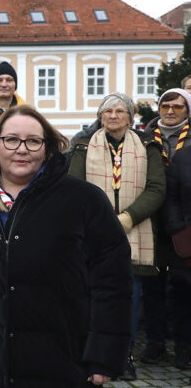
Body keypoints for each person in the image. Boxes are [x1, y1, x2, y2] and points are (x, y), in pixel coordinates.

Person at [0, 105, 132, 387]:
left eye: (33, 141)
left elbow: (113, 282)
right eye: (11, 140)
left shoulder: (83, 200)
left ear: (48, 147)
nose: (22, 149)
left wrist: (104, 354)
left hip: (60, 360)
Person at [68, 92, 165, 381]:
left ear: (131, 116)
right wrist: (99, 220)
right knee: (91, 293)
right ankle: (93, 351)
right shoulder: (84, 145)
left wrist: (127, 218)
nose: (113, 116)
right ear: (100, 116)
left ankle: (125, 354)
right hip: (93, 231)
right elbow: (74, 186)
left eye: (120, 111)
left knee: (129, 295)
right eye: (107, 111)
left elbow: (157, 188)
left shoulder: (148, 145)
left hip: (134, 229)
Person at [145, 88, 191, 369]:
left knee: (182, 287)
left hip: (183, 225)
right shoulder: (147, 137)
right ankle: (155, 340)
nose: (171, 111)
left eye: (178, 107)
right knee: (152, 284)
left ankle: (183, 345)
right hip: (150, 220)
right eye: (165, 106)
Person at [161, 123, 191, 373]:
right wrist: (177, 229)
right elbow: (170, 199)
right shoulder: (182, 158)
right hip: (186, 243)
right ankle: (183, 350)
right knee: (183, 300)